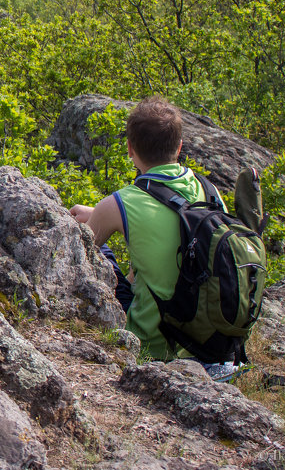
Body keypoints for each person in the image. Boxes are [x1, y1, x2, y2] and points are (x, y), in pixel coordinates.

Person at [69, 96, 218, 361]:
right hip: (208, 338)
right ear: (180, 146)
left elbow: (78, 261)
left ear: (129, 148)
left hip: (154, 343)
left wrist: (99, 215)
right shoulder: (209, 190)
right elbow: (178, 228)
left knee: (95, 245)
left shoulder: (119, 202)